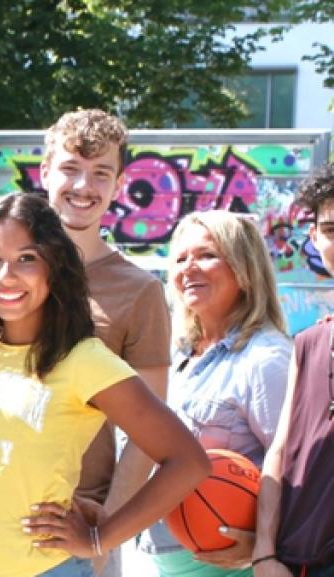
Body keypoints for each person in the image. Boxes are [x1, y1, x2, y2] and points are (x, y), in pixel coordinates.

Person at [0, 192, 209, 577]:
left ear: (55, 266)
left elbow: (188, 462)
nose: (6, 276)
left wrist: (100, 539)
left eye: (27, 258)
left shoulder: (84, 360)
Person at [39, 109, 172, 575]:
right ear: (45, 172)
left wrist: (104, 537)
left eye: (100, 173)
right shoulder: (2, 271)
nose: (83, 186)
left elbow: (149, 432)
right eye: (70, 168)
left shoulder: (139, 291)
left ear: (119, 184)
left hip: (75, 521)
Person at [139, 210, 292, 576]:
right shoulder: (172, 355)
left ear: (245, 268)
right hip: (158, 555)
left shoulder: (267, 359)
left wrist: (263, 546)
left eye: (207, 255)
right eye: (180, 259)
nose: (188, 268)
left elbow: (297, 470)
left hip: (227, 565)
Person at [252, 165, 334, 577]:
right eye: (332, 229)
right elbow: (280, 451)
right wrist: (265, 553)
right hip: (303, 558)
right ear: (314, 238)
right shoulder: (308, 343)